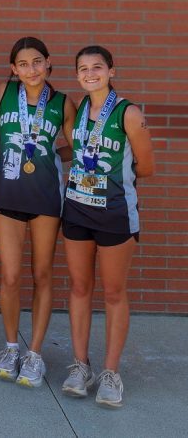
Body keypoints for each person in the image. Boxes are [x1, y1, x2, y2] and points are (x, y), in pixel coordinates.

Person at [61, 45, 154, 407]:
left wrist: (113, 181)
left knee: (113, 293)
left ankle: (111, 373)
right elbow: (80, 149)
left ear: (111, 71)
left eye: (97, 67)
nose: (90, 73)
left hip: (115, 213)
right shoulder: (79, 109)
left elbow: (146, 166)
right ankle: (80, 366)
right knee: (80, 288)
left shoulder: (128, 112)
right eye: (83, 68)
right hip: (77, 209)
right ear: (77, 75)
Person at [0, 37, 76, 387]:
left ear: (48, 62)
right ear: (13, 68)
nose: (31, 69)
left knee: (41, 274)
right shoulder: (1, 93)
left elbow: (79, 144)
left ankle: (35, 353)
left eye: (37, 61)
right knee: (10, 276)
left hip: (45, 197)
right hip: (9, 192)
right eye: (23, 64)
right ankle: (12, 347)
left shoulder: (62, 102)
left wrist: (52, 155)